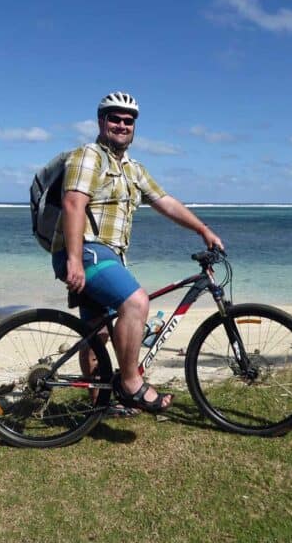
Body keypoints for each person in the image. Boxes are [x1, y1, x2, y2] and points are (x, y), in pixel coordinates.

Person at [51, 91, 223, 414]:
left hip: (108, 257)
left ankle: (99, 405)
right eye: (114, 119)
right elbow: (73, 204)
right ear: (101, 122)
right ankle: (131, 384)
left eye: (128, 121)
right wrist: (74, 259)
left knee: (99, 332)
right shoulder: (89, 156)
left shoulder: (133, 169)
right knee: (136, 302)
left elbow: (165, 202)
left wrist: (202, 229)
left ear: (134, 127)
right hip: (87, 252)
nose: (122, 125)